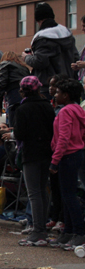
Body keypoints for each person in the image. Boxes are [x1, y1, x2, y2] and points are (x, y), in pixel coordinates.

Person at [15, 76, 56, 247]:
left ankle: (38, 230)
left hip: (30, 153)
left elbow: (19, 134)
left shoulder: (23, 108)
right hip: (47, 152)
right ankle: (42, 230)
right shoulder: (47, 106)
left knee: (34, 193)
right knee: (42, 190)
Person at [47, 79, 85, 250]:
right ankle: (68, 232)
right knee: (68, 195)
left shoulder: (64, 112)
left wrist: (55, 161)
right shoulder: (79, 110)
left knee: (69, 196)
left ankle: (78, 232)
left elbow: (63, 137)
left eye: (58, 93)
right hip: (77, 153)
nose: (55, 95)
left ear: (66, 95)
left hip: (67, 155)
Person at [24, 2, 78, 99]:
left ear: (39, 21)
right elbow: (76, 57)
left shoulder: (43, 38)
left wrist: (27, 57)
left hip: (49, 87)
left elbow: (40, 61)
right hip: (69, 84)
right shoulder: (67, 35)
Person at [0, 51, 31, 128]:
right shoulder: (24, 67)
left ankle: (13, 136)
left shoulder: (4, 64)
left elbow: (1, 84)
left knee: (14, 118)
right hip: (26, 95)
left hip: (13, 93)